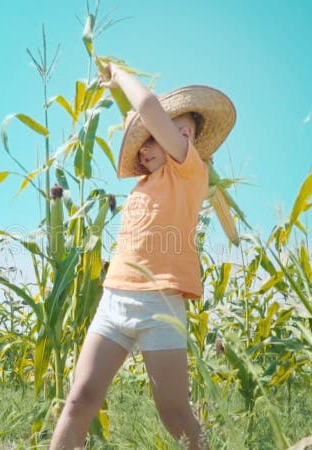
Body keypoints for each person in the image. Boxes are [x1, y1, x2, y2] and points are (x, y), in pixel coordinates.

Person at [49, 63, 235, 450]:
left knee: (175, 416)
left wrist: (118, 75)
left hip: (160, 306)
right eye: (145, 140)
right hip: (115, 300)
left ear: (183, 137)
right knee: (80, 400)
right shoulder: (145, 185)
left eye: (158, 138)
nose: (148, 148)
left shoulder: (189, 172)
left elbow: (147, 104)